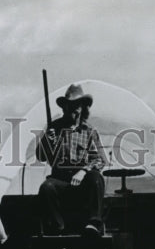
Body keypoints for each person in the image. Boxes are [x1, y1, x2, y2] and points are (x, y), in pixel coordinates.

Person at [36, 83, 108, 240]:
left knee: (96, 178)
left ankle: (93, 224)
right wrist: (46, 141)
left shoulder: (89, 131)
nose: (73, 110)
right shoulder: (53, 128)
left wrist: (83, 171)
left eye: (77, 106)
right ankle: (57, 228)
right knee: (46, 187)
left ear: (83, 108)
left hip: (82, 185)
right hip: (60, 182)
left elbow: (101, 160)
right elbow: (40, 156)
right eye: (69, 106)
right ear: (64, 107)